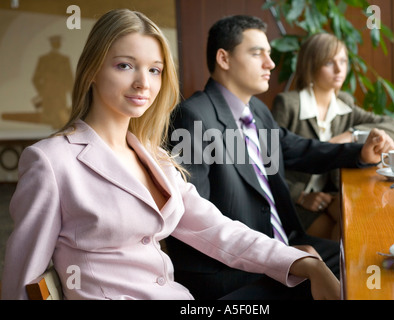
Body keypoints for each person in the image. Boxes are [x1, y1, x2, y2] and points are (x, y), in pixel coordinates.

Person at [1, 9, 339, 300]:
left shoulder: (153, 155)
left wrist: (297, 261)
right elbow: (22, 280)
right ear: (91, 70)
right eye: (124, 65)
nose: (142, 83)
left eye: (154, 70)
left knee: (314, 280)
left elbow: (217, 229)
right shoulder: (51, 161)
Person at [167, 15, 394, 299]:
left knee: (371, 261)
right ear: (223, 59)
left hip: (286, 244)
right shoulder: (193, 117)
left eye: (269, 54)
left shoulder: (258, 112)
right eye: (256, 53)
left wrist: (359, 152)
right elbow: (193, 219)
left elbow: (299, 149)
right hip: (233, 269)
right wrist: (282, 258)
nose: (270, 63)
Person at [271, 33, 394, 240]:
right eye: (329, 62)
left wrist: (350, 135)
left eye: (343, 61)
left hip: (330, 193)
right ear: (311, 66)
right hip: (293, 199)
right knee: (343, 235)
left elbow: (393, 126)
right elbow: (265, 162)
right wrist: (301, 196)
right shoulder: (288, 104)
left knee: (358, 221)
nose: (340, 69)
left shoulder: (344, 102)